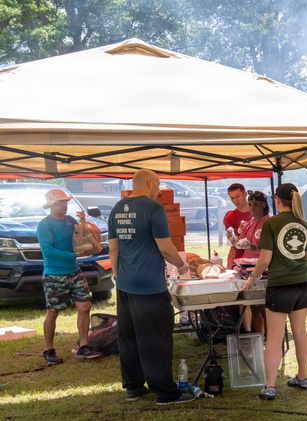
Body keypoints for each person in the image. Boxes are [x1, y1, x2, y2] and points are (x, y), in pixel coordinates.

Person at [108, 169, 194, 405]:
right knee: (156, 338)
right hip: (149, 285)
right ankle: (165, 392)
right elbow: (165, 248)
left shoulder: (117, 208)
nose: (159, 190)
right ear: (149, 182)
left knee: (130, 337)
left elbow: (113, 249)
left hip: (125, 285)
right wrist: (183, 266)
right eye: (157, 185)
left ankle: (133, 387)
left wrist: (118, 277)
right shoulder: (153, 208)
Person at [239, 182, 307, 400]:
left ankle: (270, 386)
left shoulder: (272, 223)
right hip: (303, 285)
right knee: (300, 332)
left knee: (274, 337)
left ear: (277, 200)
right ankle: (303, 377)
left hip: (280, 286)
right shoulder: (304, 223)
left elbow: (264, 260)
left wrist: (251, 279)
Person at [36, 188, 103, 364]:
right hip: (54, 274)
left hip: (74, 271)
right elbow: (48, 251)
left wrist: (83, 222)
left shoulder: (70, 220)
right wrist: (74, 255)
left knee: (85, 306)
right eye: (60, 202)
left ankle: (84, 346)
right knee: (53, 311)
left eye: (66, 202)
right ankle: (48, 350)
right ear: (51, 205)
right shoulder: (45, 225)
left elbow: (85, 235)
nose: (64, 205)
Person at [235, 190, 269, 332]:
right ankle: (259, 338)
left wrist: (251, 246)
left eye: (256, 204)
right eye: (250, 204)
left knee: (263, 307)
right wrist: (234, 239)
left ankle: (271, 337)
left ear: (264, 205)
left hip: (263, 269)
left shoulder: (268, 222)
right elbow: (240, 244)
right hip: (248, 269)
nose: (252, 207)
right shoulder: (249, 223)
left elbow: (266, 248)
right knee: (253, 307)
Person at [223, 183, 252, 269]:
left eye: (238, 196)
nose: (236, 200)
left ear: (245, 194)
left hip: (259, 256)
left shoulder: (257, 212)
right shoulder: (230, 218)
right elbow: (235, 245)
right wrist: (242, 232)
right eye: (232, 198)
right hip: (241, 260)